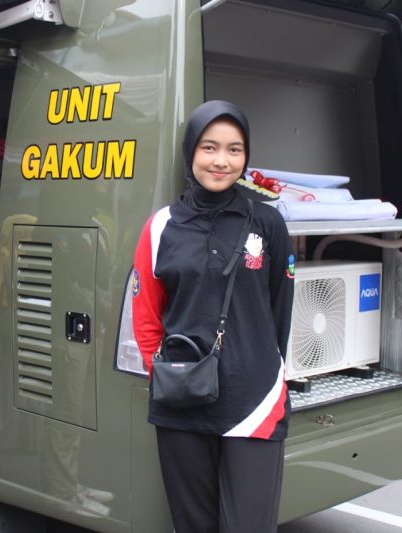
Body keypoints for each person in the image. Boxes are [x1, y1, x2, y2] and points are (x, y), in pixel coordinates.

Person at [131, 100, 294, 532]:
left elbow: (280, 310)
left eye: (234, 149)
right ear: (191, 151)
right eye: (209, 147)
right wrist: (165, 375)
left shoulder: (268, 223)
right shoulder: (161, 226)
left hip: (254, 401)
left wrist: (265, 368)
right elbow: (146, 315)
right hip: (181, 398)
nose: (222, 161)